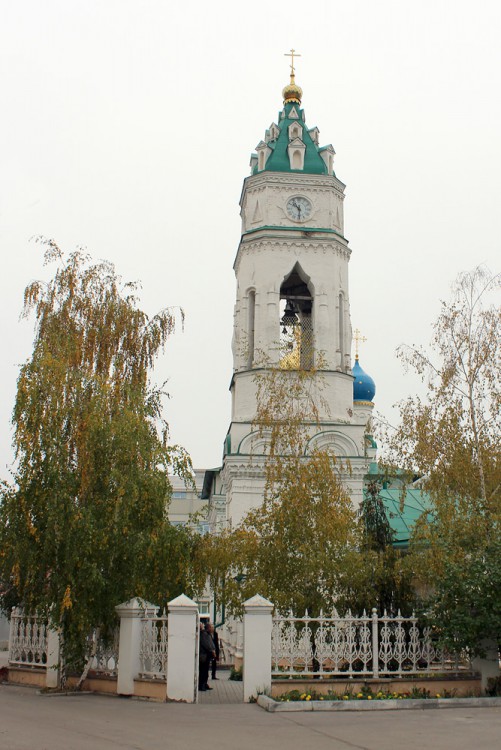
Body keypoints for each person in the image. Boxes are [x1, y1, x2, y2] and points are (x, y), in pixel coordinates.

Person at [198, 621, 216, 692]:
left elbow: (211, 644)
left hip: (206, 656)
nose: (213, 629)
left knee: (205, 671)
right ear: (208, 628)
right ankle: (201, 685)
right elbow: (207, 645)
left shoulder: (207, 634)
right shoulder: (204, 634)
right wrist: (212, 650)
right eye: (211, 627)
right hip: (203, 656)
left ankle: (204, 684)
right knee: (203, 671)